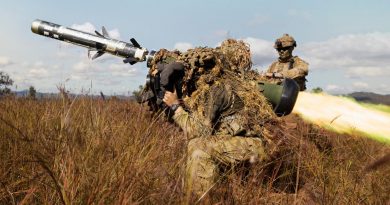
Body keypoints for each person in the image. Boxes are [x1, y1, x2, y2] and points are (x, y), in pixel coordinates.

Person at [163, 82, 269, 200]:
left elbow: (199, 131)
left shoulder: (217, 88)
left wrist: (175, 106)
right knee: (196, 145)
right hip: (243, 142)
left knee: (199, 147)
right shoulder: (214, 85)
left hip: (253, 145)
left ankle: (203, 200)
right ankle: (195, 196)